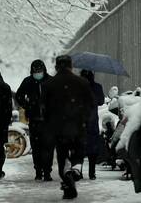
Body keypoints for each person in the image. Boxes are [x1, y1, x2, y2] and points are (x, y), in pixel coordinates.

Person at [42, 55, 94, 199]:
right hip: (78, 126)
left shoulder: (48, 84)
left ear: (56, 67)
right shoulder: (82, 82)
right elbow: (91, 105)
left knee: (62, 156)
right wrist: (85, 120)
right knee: (78, 153)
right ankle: (76, 170)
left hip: (58, 129)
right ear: (71, 66)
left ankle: (66, 176)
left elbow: (44, 109)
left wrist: (49, 125)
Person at [15, 59, 54, 181]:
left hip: (48, 120)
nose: (37, 73)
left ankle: (47, 171)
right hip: (34, 119)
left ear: (44, 70)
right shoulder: (28, 81)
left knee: (48, 146)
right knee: (36, 146)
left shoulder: (50, 81)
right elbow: (18, 96)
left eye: (39, 71)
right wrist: (27, 105)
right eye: (35, 71)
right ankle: (38, 171)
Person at [80, 70, 105, 180]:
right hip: (92, 121)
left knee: (80, 148)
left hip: (81, 122)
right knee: (92, 150)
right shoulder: (97, 87)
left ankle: (79, 171)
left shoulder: (79, 87)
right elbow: (101, 101)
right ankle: (91, 173)